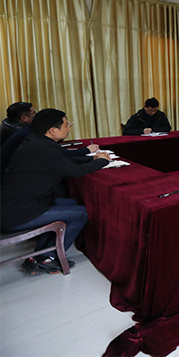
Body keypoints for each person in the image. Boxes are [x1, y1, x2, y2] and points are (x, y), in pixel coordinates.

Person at [1, 109, 110, 274]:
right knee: (82, 213)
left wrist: (92, 158)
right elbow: (74, 171)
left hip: (20, 204)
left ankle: (40, 255)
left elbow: (63, 160)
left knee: (72, 203)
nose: (68, 128)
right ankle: (48, 258)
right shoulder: (43, 148)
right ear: (52, 130)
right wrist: (101, 162)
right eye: (65, 125)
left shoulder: (37, 141)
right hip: (18, 213)